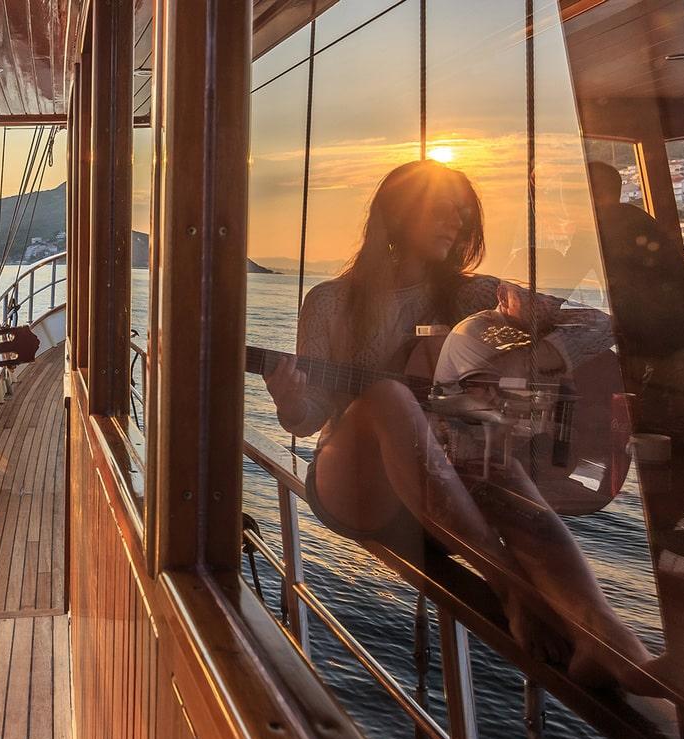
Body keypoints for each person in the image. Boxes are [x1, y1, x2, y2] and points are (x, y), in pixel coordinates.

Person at [263, 159, 657, 693]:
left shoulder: (477, 296)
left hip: (445, 499)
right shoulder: (330, 301)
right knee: (389, 395)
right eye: (441, 210)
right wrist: (290, 403)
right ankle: (510, 588)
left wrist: (525, 362)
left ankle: (608, 638)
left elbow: (598, 325)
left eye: (462, 213)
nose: (456, 222)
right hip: (358, 487)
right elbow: (308, 421)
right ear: (396, 214)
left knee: (494, 456)